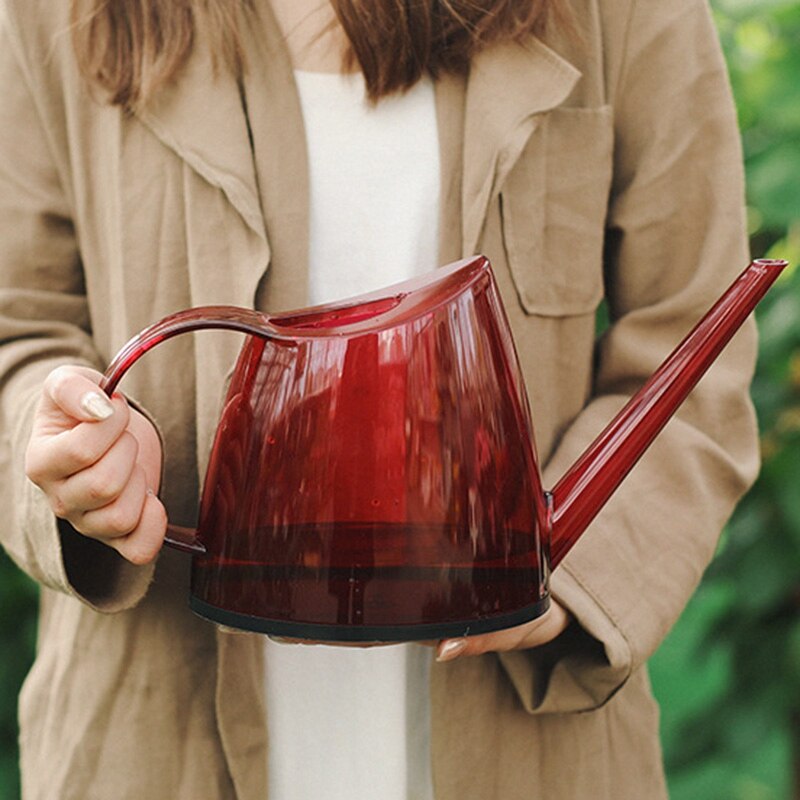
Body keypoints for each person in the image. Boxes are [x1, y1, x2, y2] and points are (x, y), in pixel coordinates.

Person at [0, 0, 758, 798]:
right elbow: (19, 331)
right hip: (149, 748)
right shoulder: (50, 14)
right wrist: (77, 452)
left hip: (532, 750)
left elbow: (694, 339)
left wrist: (571, 578)